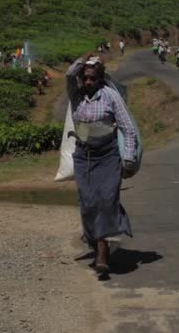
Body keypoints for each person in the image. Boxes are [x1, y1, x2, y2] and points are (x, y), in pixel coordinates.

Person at [66, 55, 137, 275]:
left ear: (100, 79)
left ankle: (103, 249)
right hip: (84, 156)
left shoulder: (110, 96)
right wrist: (83, 60)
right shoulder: (76, 95)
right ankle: (95, 240)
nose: (88, 83)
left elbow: (128, 128)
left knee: (107, 199)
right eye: (85, 78)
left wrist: (128, 158)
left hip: (107, 156)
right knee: (88, 203)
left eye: (93, 79)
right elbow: (69, 75)